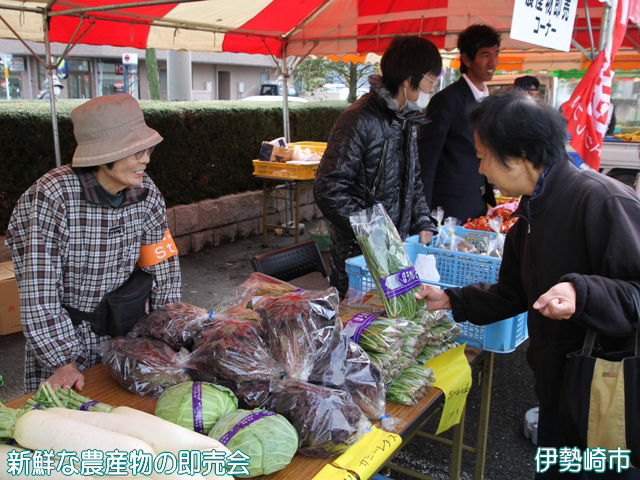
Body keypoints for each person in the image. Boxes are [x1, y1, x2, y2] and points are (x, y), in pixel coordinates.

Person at [416, 91, 640, 479]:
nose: (481, 168)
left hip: (604, 394)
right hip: (556, 388)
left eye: (483, 155)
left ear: (519, 154)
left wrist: (580, 293)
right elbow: (513, 294)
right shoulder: (530, 214)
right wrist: (449, 299)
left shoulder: (602, 200)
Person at [6, 94, 182, 393]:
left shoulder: (147, 192)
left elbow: (163, 266)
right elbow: (39, 291)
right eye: (136, 151)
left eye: (147, 149)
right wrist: (62, 360)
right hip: (65, 336)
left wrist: (167, 333)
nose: (146, 158)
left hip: (125, 333)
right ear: (104, 155)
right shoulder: (54, 196)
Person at [314, 35, 441, 297]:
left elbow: (413, 180)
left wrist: (422, 221)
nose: (434, 87)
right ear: (409, 79)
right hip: (358, 255)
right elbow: (329, 188)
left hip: (394, 250)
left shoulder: (406, 119)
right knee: (362, 327)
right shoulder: (358, 119)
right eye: (431, 79)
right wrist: (374, 235)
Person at [418, 24, 500, 223]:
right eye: (485, 55)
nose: (492, 62)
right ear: (466, 58)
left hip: (479, 200)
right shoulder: (447, 100)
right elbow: (427, 159)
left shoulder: (490, 99)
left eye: (496, 54)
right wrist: (422, 214)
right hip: (449, 206)